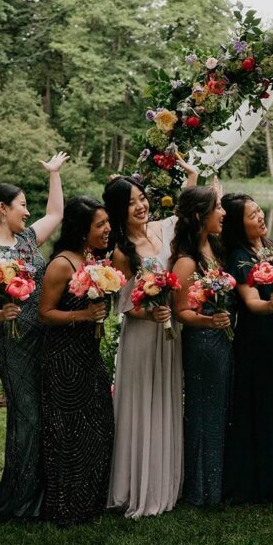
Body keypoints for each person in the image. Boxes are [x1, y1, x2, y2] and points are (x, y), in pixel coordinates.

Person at [0, 153, 68, 521]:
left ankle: (45, 495)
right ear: (2, 209)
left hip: (45, 337)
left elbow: (56, 214)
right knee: (26, 418)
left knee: (45, 414)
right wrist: (1, 313)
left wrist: (55, 174)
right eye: (22, 206)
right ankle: (18, 500)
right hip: (14, 342)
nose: (27, 214)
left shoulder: (27, 240)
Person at [106, 161, 197, 519]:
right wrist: (152, 312)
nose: (141, 206)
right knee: (143, 405)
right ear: (119, 212)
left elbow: (186, 211)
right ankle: (138, 487)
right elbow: (125, 305)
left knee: (166, 401)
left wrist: (191, 178)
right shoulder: (121, 252)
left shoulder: (163, 228)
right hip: (144, 336)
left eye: (142, 198)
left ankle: (166, 481)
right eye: (132, 203)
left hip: (170, 335)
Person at [37, 197, 115, 526]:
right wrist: (82, 315)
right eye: (100, 225)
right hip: (63, 359)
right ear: (82, 230)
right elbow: (45, 313)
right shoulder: (62, 265)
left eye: (107, 222)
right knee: (68, 433)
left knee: (98, 427)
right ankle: (66, 506)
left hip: (88, 354)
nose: (108, 228)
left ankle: (91, 500)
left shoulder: (93, 261)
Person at [220, 193, 273, 504]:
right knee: (260, 405)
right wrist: (271, 304)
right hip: (257, 339)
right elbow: (250, 302)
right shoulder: (238, 256)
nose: (261, 217)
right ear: (239, 224)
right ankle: (261, 481)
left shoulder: (271, 247)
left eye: (260, 210)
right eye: (252, 216)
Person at [170, 186, 234, 506]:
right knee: (203, 412)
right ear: (199, 216)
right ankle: (200, 489)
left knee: (219, 410)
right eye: (217, 207)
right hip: (203, 343)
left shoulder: (215, 248)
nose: (223, 213)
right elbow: (180, 313)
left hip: (222, 341)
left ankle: (216, 484)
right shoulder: (186, 262)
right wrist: (210, 322)